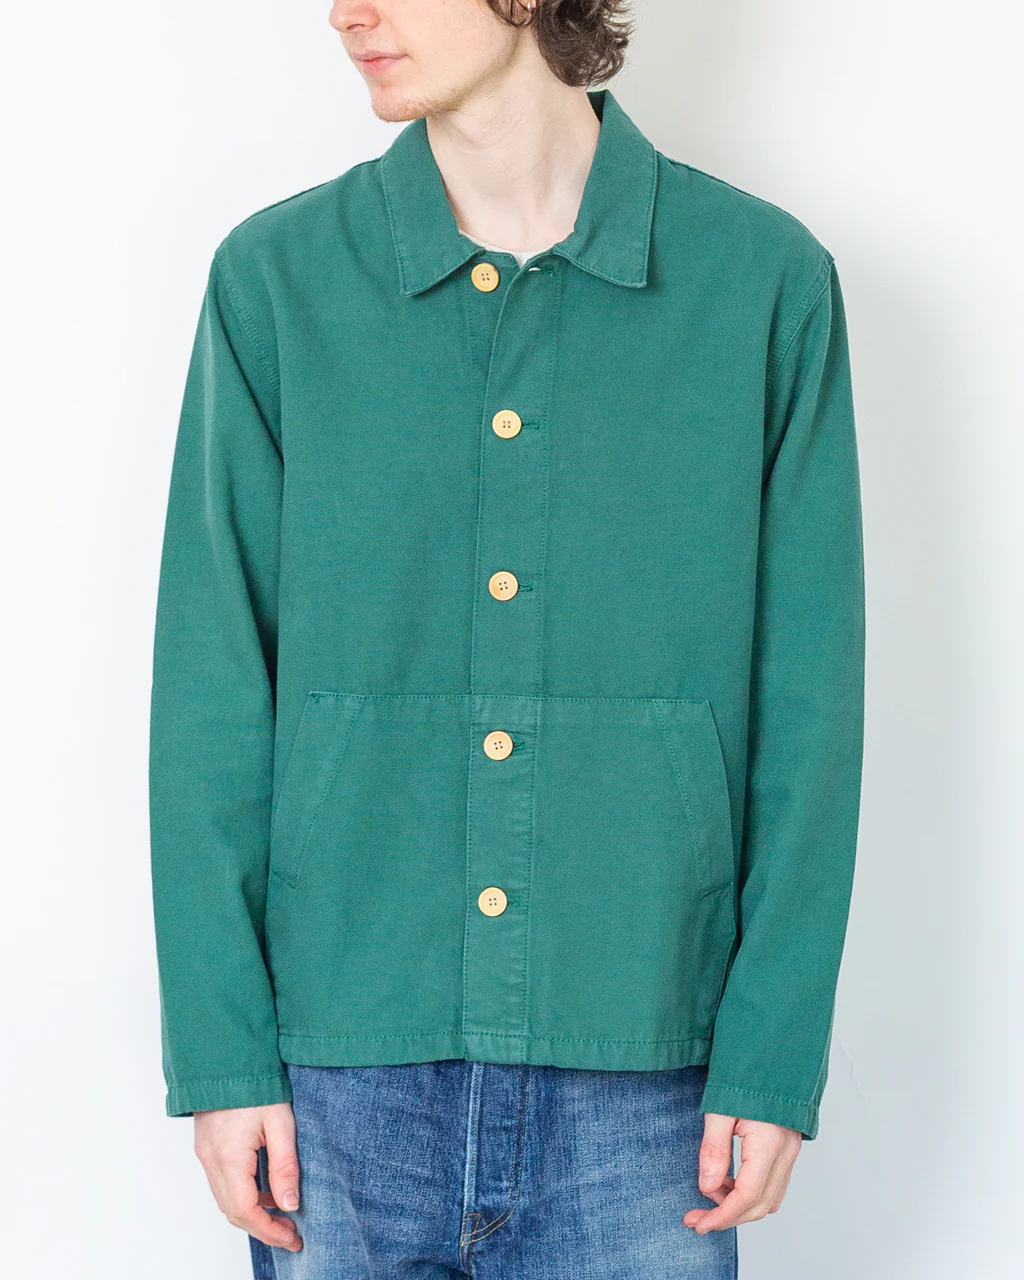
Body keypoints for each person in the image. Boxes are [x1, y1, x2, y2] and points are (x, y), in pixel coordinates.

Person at [148, 2, 865, 1276]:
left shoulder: (762, 282)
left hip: (649, 1063)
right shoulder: (277, 281)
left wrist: (772, 1052)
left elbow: (813, 707)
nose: (346, 12)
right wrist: (223, 1054)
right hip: (338, 1073)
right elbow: (211, 687)